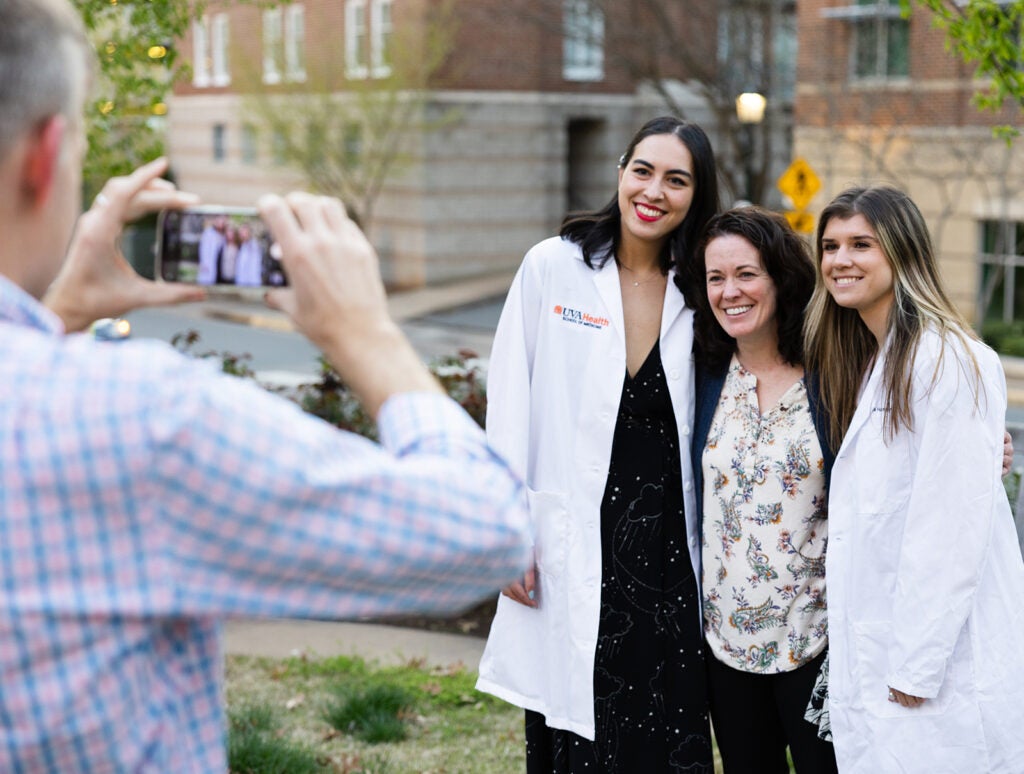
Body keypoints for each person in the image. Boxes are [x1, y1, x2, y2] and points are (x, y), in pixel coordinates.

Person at [0, 1, 531, 770]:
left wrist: (64, 311)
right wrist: (364, 333)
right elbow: (485, 533)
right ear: (46, 155)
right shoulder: (139, 418)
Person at [476, 116, 720, 772]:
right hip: (571, 547)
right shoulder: (553, 268)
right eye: (643, 170)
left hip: (669, 564)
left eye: (677, 179)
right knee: (575, 738)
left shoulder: (704, 290)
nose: (654, 191)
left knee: (666, 740)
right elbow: (508, 405)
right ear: (619, 172)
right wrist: (507, 533)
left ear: (697, 196)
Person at [803, 184, 1024, 773]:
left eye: (860, 244)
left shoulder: (948, 357)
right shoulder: (872, 357)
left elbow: (951, 527)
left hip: (937, 662)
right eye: (830, 246)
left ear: (902, 253)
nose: (840, 260)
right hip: (885, 652)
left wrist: (916, 663)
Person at [689, 208, 838, 773]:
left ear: (779, 276)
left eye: (747, 274)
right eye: (716, 278)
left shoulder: (834, 374)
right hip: (724, 646)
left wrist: (980, 441)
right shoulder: (702, 376)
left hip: (816, 643)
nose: (730, 292)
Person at [197, 213, 227, 285]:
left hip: (220, 268)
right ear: (215, 221)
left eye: (223, 220)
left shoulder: (224, 235)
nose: (221, 222)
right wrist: (204, 265)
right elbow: (203, 252)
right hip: (208, 268)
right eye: (220, 219)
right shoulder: (208, 233)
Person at [234, 221, 264, 286]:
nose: (241, 234)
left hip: (250, 283)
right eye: (240, 232)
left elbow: (254, 268)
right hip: (241, 283)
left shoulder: (254, 246)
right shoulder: (243, 246)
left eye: (243, 231)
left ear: (248, 232)